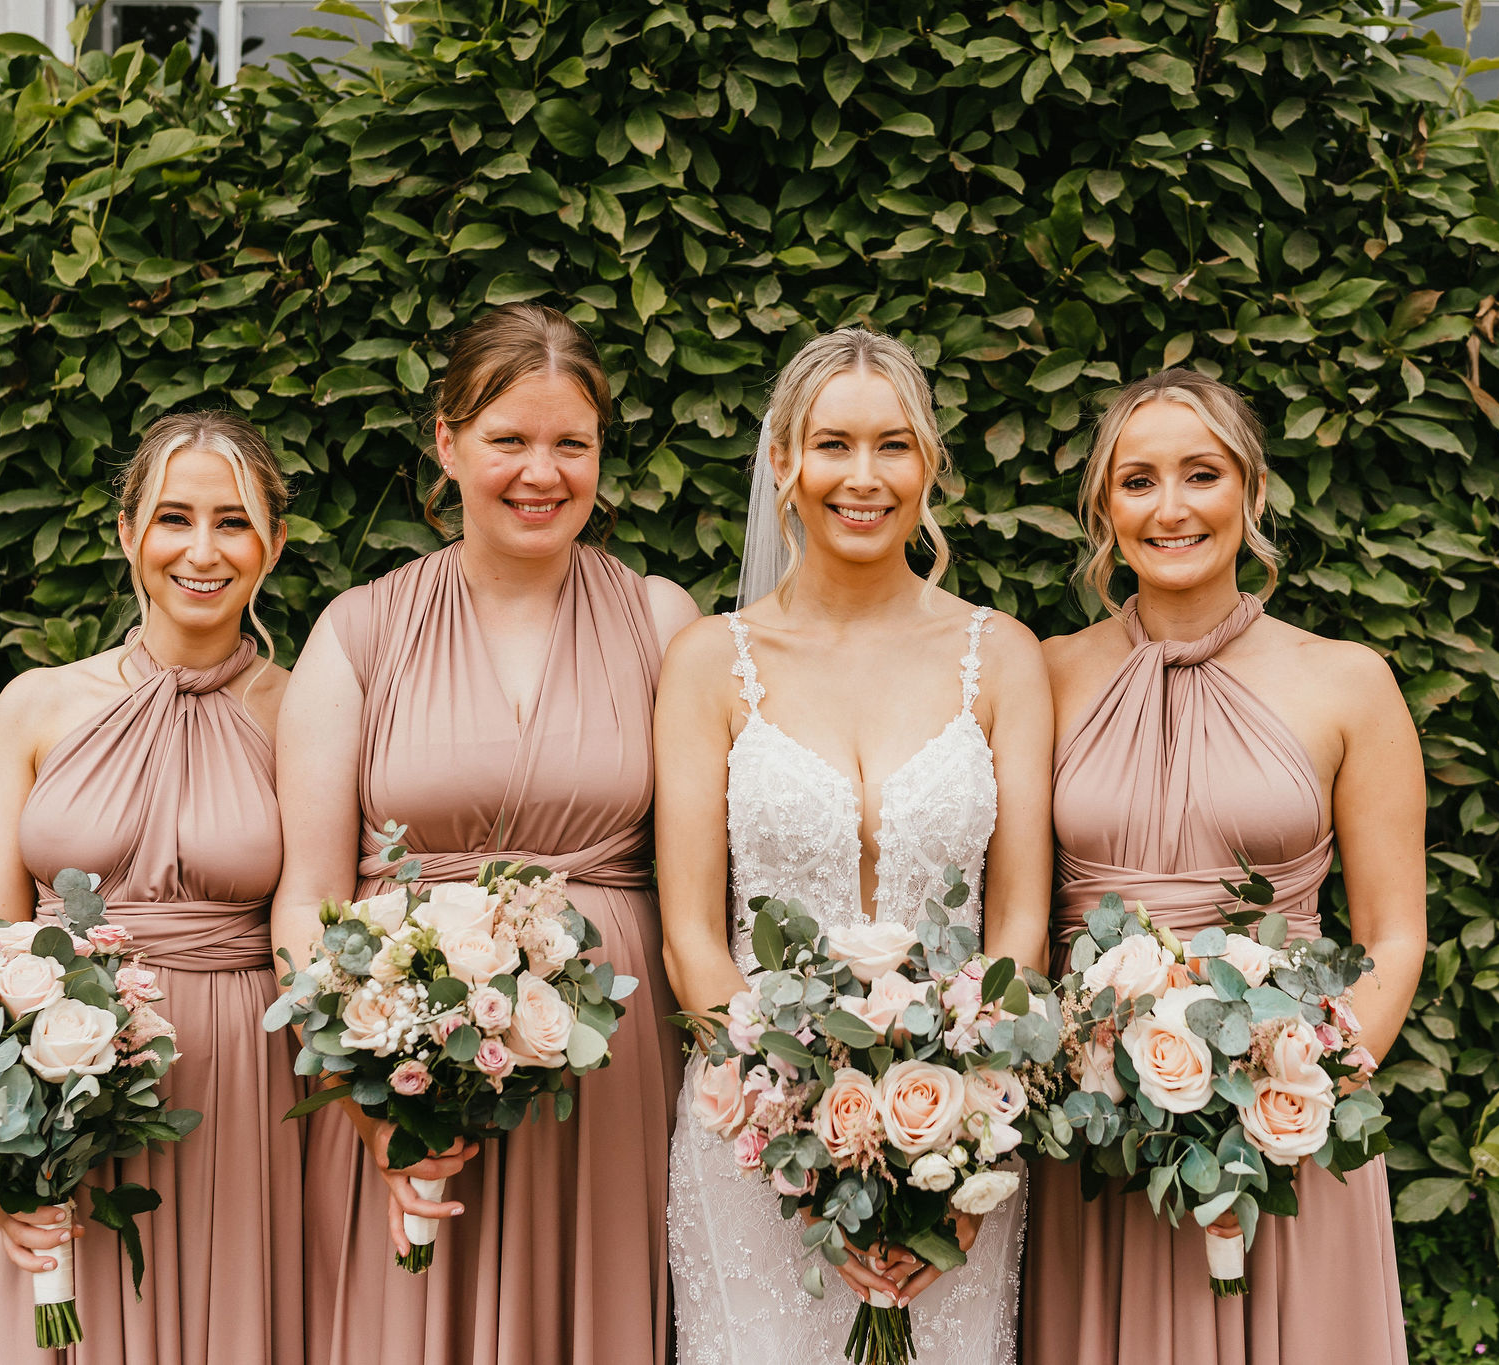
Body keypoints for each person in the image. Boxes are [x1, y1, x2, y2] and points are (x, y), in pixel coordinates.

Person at [273, 302, 700, 1365]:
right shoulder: (357, 630)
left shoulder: (660, 621)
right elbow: (303, 896)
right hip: (400, 1071)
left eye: (571, 444)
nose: (540, 473)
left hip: (603, 1081)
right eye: (508, 440)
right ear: (447, 442)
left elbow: (704, 885)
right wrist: (356, 1081)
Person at [658, 327, 1054, 1364]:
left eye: (893, 446)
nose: (863, 477)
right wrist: (801, 1146)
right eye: (833, 445)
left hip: (958, 1147)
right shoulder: (709, 663)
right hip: (753, 1143)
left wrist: (966, 1128)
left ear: (928, 467)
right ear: (782, 463)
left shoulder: (1001, 655)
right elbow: (693, 941)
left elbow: (1017, 926)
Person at [1023, 367, 1423, 1364]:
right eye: (1137, 481)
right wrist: (1076, 1079)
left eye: (1198, 475)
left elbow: (1392, 931)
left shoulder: (1347, 682)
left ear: (1248, 492)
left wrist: (1297, 1091)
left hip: (1290, 1126)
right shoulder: (1045, 673)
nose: (1169, 508)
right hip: (1101, 1130)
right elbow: (1016, 922)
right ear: (1103, 510)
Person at [0, 412, 304, 1364]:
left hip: (233, 1097)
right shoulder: (36, 703)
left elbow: (313, 925)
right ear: (127, 535)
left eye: (233, 521)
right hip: (51, 1096)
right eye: (173, 517)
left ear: (272, 542)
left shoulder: (305, 711)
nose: (201, 549)